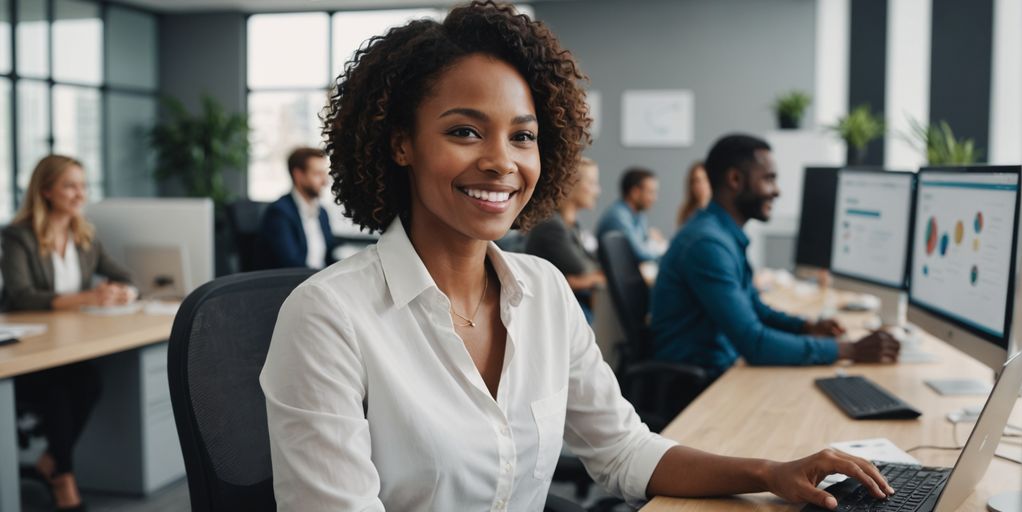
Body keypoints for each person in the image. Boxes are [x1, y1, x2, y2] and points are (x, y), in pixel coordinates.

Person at [259, 4, 893, 511]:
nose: (501, 161)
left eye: (523, 136)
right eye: (464, 130)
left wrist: (771, 473)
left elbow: (622, 451)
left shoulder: (543, 291)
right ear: (401, 144)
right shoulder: (328, 317)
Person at [650, 134, 899, 381]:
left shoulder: (720, 235)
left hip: (721, 370)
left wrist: (806, 327)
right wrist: (851, 350)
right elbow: (754, 343)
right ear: (735, 179)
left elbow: (755, 309)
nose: (777, 191)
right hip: (696, 387)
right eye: (769, 179)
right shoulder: (707, 244)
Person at [1, 154, 137, 511]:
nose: (80, 194)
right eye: (70, 186)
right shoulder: (18, 236)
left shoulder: (84, 234)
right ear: (46, 191)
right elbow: (20, 294)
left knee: (88, 381)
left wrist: (122, 292)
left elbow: (124, 275)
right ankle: (64, 482)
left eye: (83, 185)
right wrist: (87, 296)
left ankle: (51, 461)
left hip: (68, 340)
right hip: (28, 348)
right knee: (63, 388)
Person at [524, 157, 604, 323]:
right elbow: (582, 267)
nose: (597, 191)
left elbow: (594, 265)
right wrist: (587, 279)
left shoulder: (572, 225)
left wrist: (583, 280)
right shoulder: (551, 225)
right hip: (550, 312)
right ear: (571, 184)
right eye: (592, 183)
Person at [258, 147, 337, 269]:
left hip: (320, 280)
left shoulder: (322, 212)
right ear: (299, 175)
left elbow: (329, 255)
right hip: (295, 283)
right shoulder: (279, 213)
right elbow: (291, 263)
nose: (325, 181)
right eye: (317, 174)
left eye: (324, 174)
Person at [595, 167, 664, 262]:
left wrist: (650, 238)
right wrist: (667, 254)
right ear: (634, 192)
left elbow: (644, 242)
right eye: (651, 192)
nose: (655, 198)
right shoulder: (618, 216)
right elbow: (640, 253)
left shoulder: (639, 214)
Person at [676, 160, 711, 227]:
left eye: (705, 179)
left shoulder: (720, 209)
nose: (701, 185)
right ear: (691, 185)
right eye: (696, 181)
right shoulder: (685, 211)